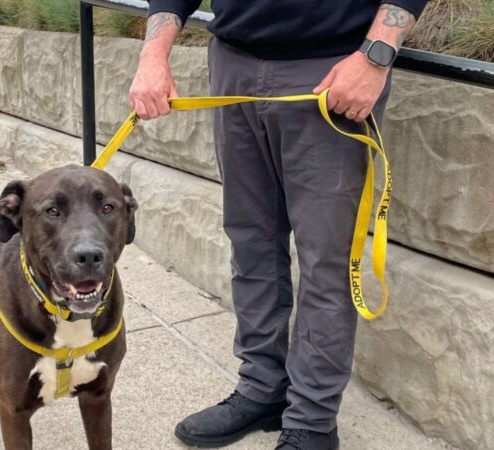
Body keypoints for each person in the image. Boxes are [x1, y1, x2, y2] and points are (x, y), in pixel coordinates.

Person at [129, 1, 427, 449]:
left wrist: (375, 54)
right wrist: (152, 53)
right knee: (251, 242)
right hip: (233, 61)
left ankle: (312, 420)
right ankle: (262, 388)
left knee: (326, 259)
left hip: (335, 72)